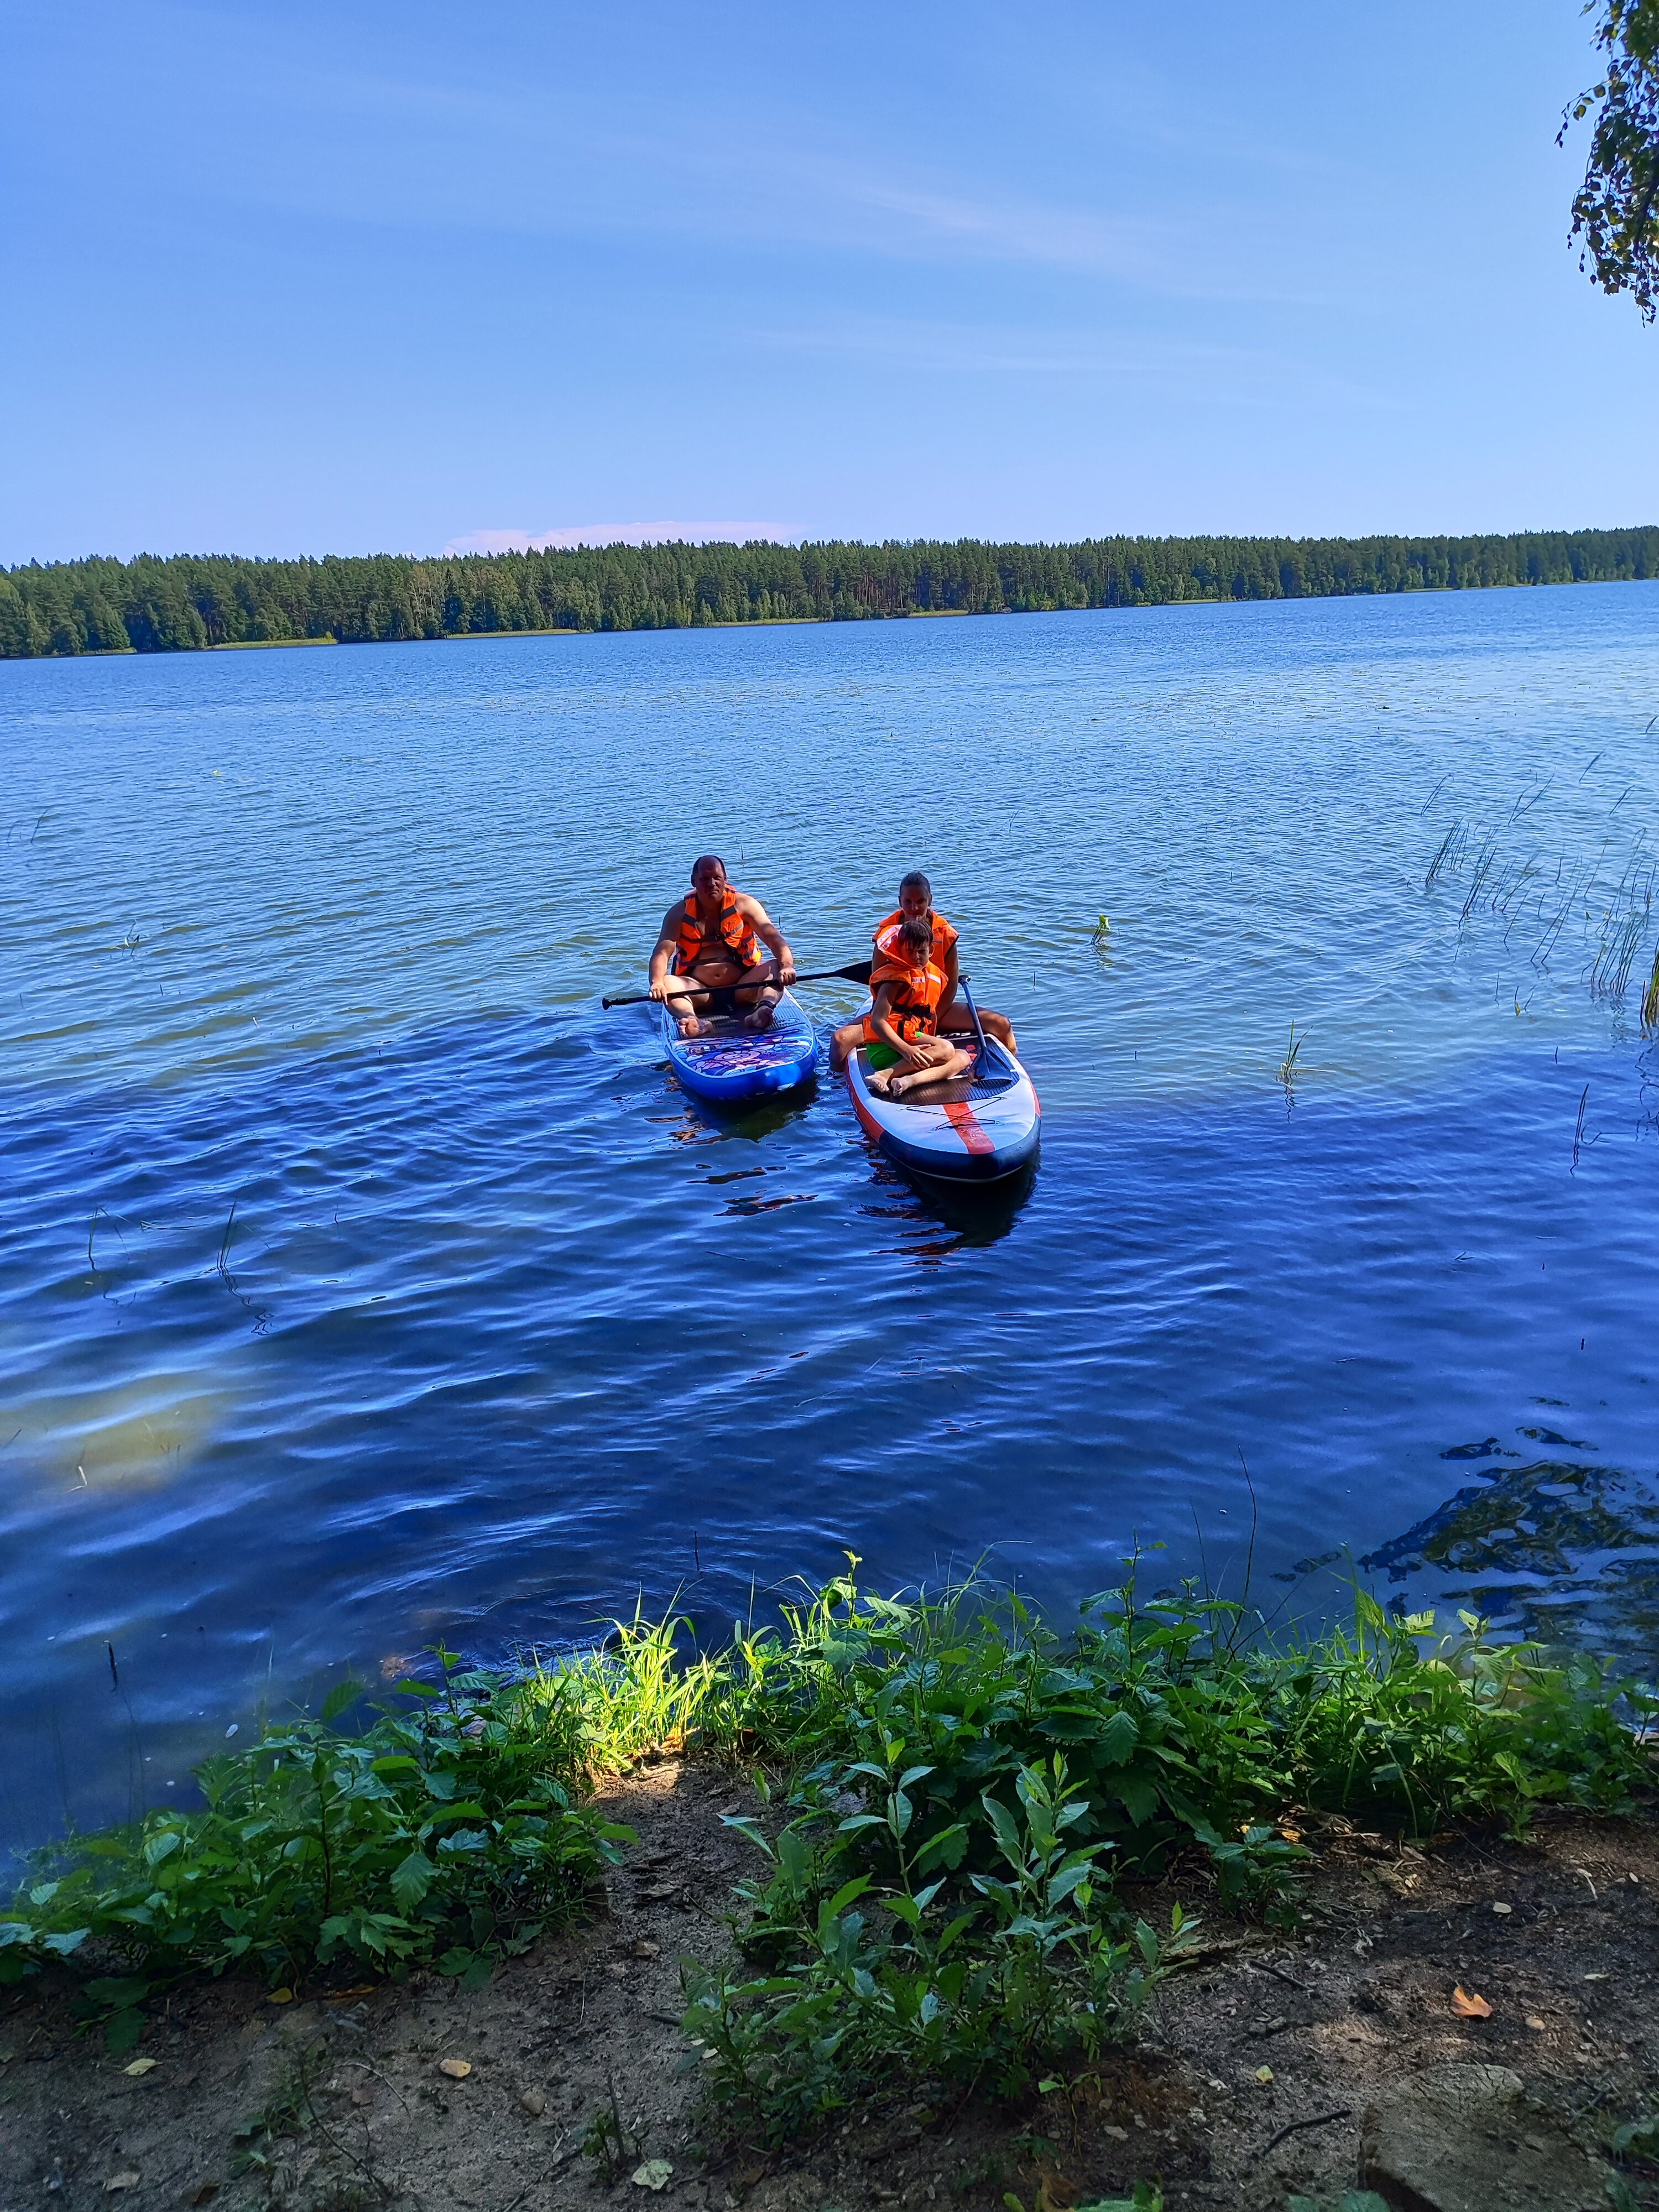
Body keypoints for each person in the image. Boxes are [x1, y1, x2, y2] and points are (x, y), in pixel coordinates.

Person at [829, 869, 1016, 1071]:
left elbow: (951, 985)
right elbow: (880, 984)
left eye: (921, 902)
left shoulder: (945, 934)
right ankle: (840, 1085)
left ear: (930, 900)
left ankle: (1014, 1066)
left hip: (936, 1010)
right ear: (900, 901)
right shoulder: (887, 934)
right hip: (897, 1016)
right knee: (840, 1040)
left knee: (1001, 1024)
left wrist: (931, 1021)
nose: (914, 908)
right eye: (908, 902)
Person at [648, 855, 796, 1036]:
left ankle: (762, 1011)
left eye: (717, 878)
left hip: (742, 989)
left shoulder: (746, 905)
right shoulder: (678, 914)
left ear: (725, 880)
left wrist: (787, 966)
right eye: (704, 879)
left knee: (774, 966)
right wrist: (657, 983)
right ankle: (692, 1020)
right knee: (668, 982)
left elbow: (774, 939)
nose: (711, 884)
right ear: (694, 881)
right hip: (700, 993)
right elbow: (662, 953)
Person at [859, 915, 975, 1097]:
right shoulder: (895, 979)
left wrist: (930, 1047)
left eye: (921, 951)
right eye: (910, 951)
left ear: (931, 950)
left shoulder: (933, 976)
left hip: (912, 1042)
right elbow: (877, 1022)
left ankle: (907, 1081)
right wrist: (908, 1051)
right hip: (887, 1047)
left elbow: (930, 1015)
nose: (916, 957)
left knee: (962, 1057)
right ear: (900, 950)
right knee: (946, 1049)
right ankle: (884, 1074)